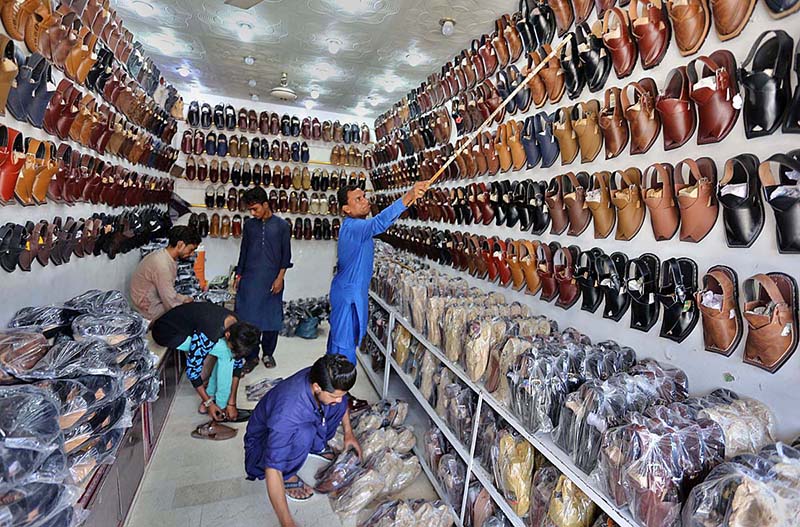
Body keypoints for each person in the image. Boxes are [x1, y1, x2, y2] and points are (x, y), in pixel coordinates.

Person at [244, 355, 361, 526]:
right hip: (261, 444)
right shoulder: (288, 413)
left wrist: (349, 434)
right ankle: (288, 476)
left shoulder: (323, 377)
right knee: (304, 433)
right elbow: (273, 468)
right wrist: (286, 522)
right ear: (316, 387)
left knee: (337, 406)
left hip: (304, 415)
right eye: (334, 395)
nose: (339, 399)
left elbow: (339, 398)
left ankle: (316, 446)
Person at [327, 182, 426, 365]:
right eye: (358, 199)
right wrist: (408, 195)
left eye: (364, 196)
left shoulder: (356, 228)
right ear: (346, 208)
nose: (365, 201)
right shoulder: (354, 227)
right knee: (343, 353)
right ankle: (337, 391)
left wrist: (410, 198)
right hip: (349, 297)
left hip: (350, 293)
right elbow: (379, 222)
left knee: (340, 345)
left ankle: (331, 388)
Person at [151, 302, 261, 440]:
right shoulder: (209, 332)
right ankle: (218, 410)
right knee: (226, 354)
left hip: (185, 327)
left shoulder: (237, 327)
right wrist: (210, 403)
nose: (235, 352)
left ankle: (217, 404)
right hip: (166, 333)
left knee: (228, 355)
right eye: (234, 348)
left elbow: (237, 363)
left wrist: (232, 401)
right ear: (227, 335)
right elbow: (193, 371)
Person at [235, 187, 292, 372]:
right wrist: (238, 275)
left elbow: (286, 255)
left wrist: (280, 278)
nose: (253, 213)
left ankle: (268, 353)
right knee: (249, 318)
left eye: (255, 209)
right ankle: (251, 356)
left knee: (271, 318)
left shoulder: (282, 226)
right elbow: (243, 251)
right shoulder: (250, 226)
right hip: (250, 279)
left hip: (272, 280)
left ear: (266, 204)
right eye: (250, 210)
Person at [130, 225, 200, 321]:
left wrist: (184, 299)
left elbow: (169, 293)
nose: (192, 254)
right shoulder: (162, 264)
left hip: (154, 300)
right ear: (180, 245)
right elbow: (170, 301)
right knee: (190, 315)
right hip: (147, 310)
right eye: (191, 249)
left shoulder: (165, 257)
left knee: (188, 301)